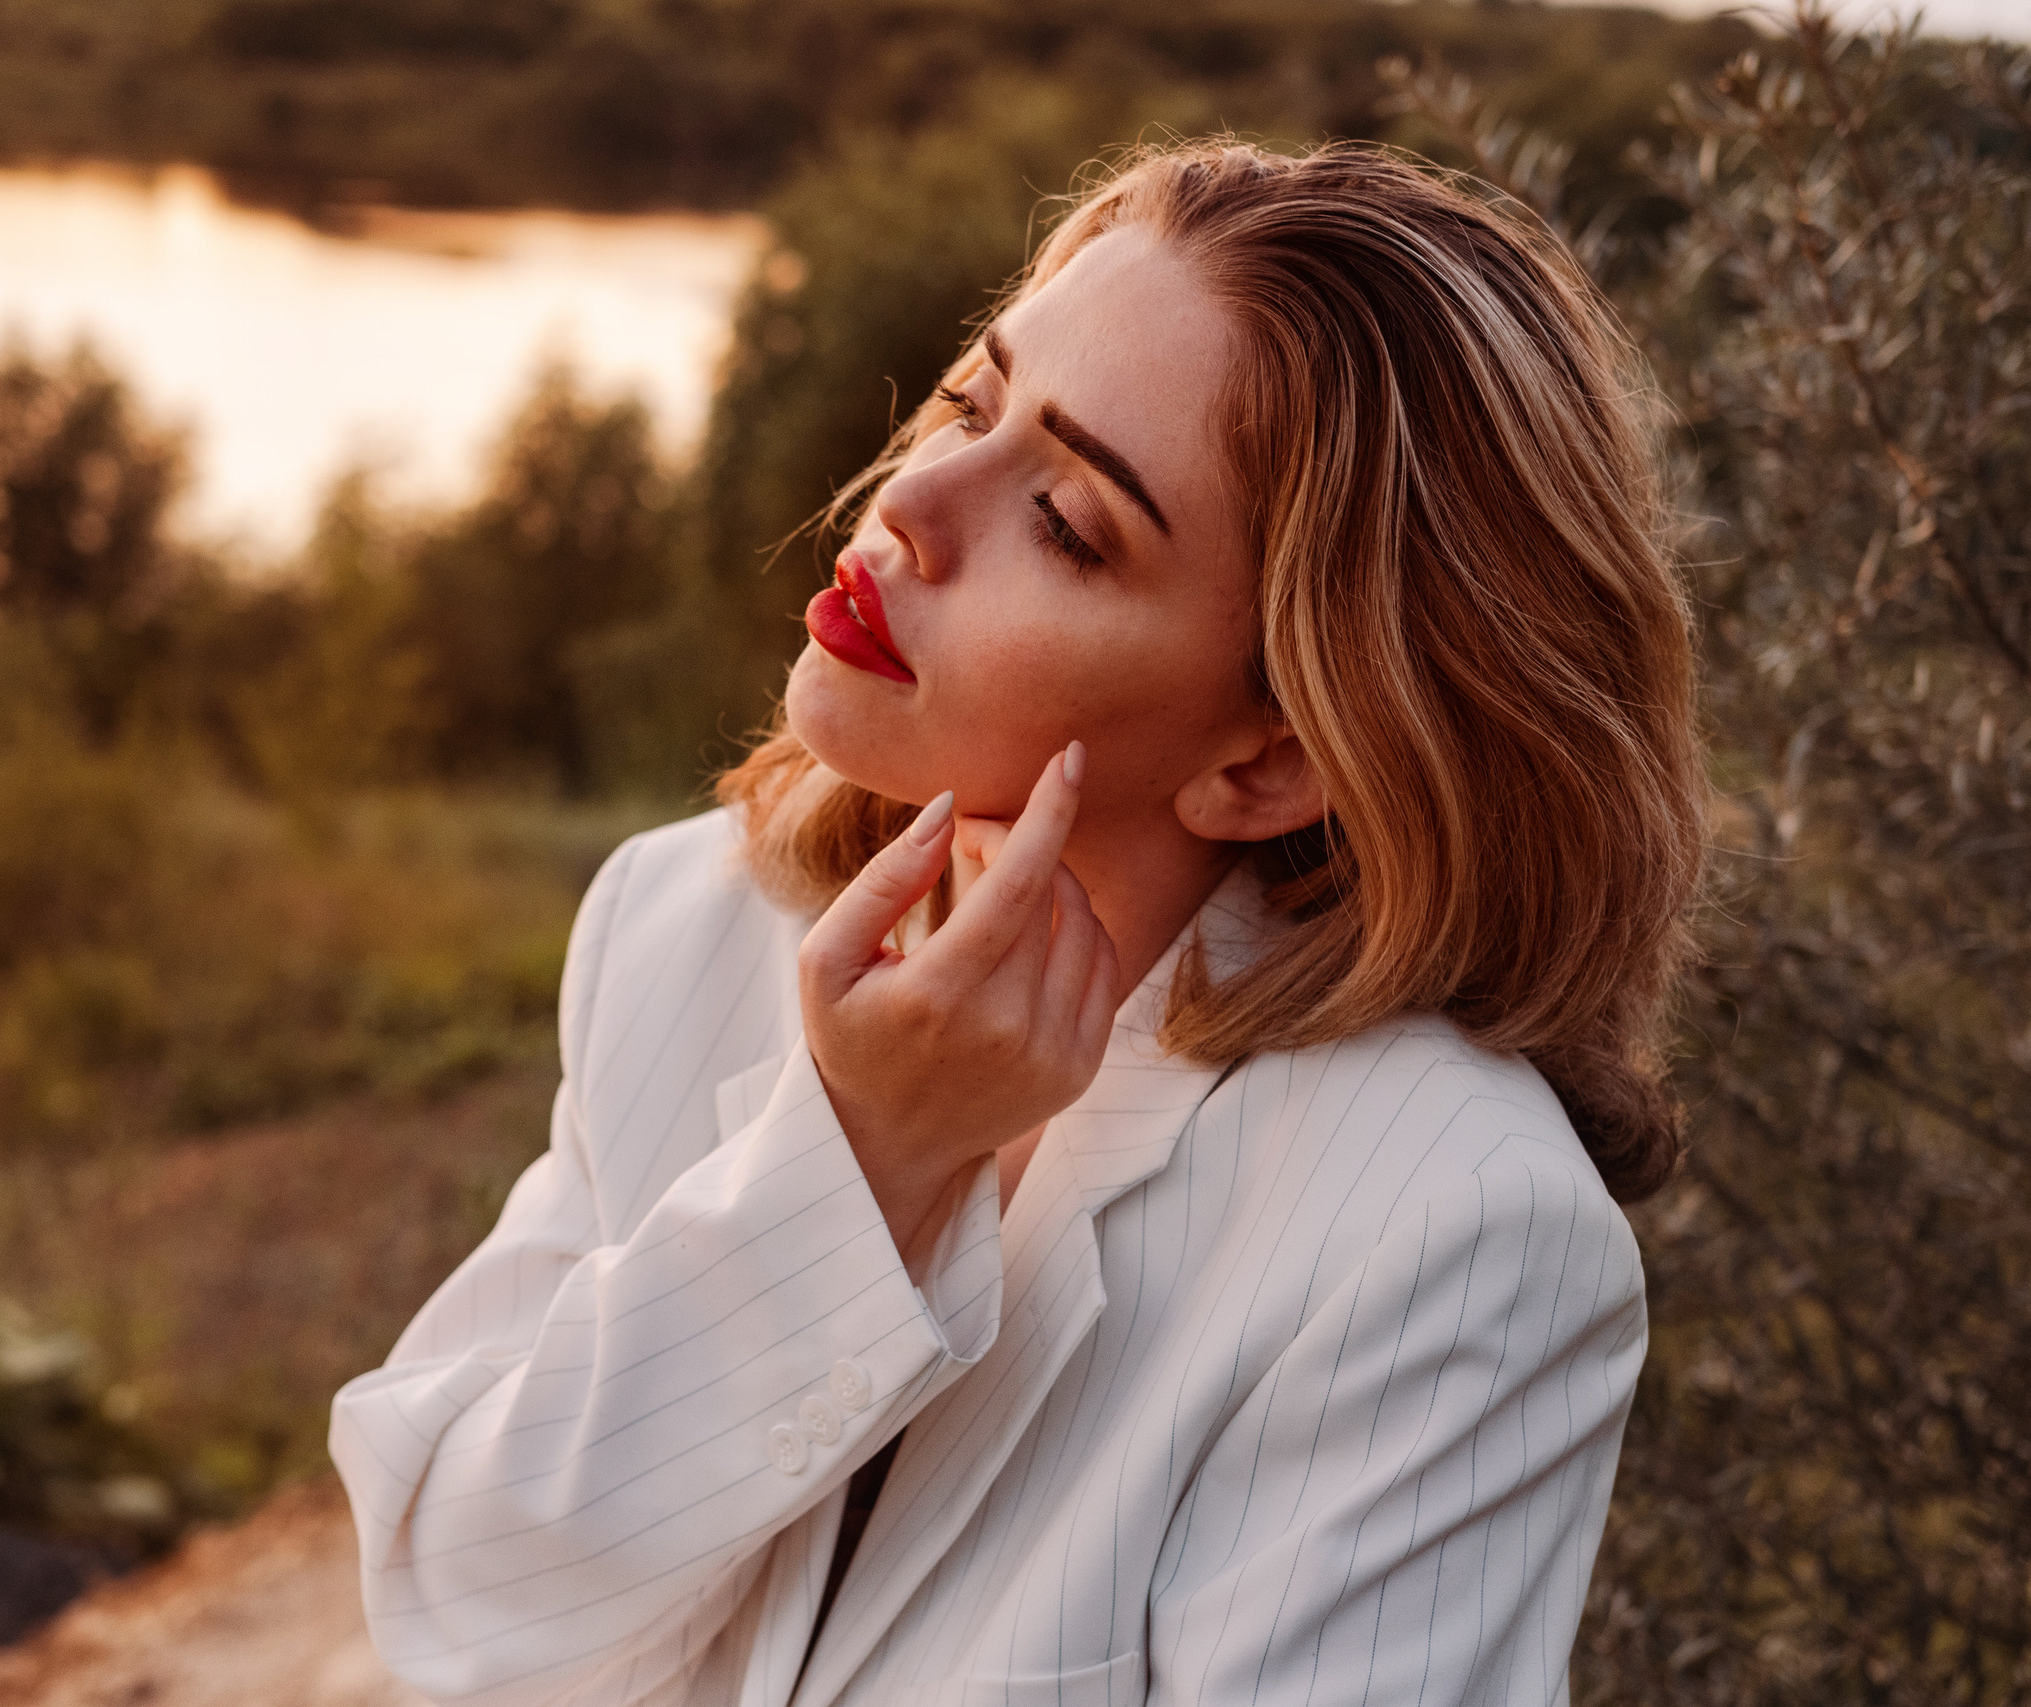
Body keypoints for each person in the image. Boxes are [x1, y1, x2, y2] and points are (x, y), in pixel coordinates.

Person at [330, 139, 1703, 1707]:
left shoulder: (1446, 1234)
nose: (909, 504)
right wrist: (853, 1164)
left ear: (1269, 760)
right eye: (972, 409)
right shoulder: (691, 920)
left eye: (1066, 520)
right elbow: (455, 1600)